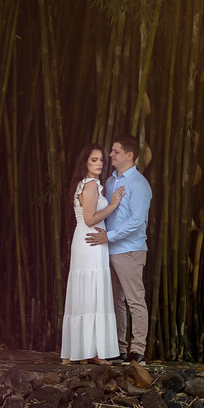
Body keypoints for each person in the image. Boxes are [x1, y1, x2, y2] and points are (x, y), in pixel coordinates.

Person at [87, 135, 153, 364]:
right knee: (115, 301)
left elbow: (137, 220)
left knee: (135, 299)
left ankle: (138, 348)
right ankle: (119, 347)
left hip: (129, 250)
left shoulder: (139, 184)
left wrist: (109, 236)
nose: (111, 155)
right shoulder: (111, 181)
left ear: (129, 155)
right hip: (108, 248)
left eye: (116, 151)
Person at [61, 143, 125, 365]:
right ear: (85, 162)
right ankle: (92, 352)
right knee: (92, 292)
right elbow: (89, 219)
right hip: (91, 241)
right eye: (94, 160)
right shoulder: (90, 186)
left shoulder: (86, 184)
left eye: (101, 160)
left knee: (86, 292)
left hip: (86, 240)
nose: (99, 164)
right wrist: (113, 205)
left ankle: (81, 351)